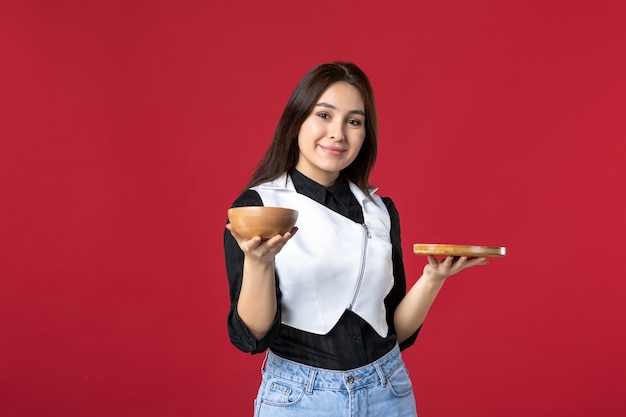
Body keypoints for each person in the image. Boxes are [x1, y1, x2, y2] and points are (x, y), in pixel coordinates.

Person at [223, 61, 487, 417]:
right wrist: (258, 261)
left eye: (353, 121)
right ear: (297, 119)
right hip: (300, 399)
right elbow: (252, 335)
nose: (337, 134)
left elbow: (393, 328)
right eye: (324, 115)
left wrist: (433, 279)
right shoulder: (260, 207)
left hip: (388, 391)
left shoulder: (379, 210)